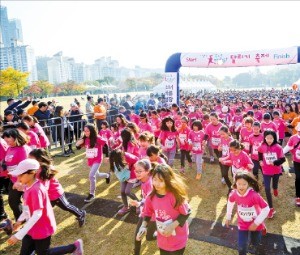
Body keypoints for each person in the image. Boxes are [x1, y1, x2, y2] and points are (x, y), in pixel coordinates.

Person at [7, 159, 84, 255]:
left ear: (32, 173)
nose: (18, 178)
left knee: (43, 253)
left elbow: (37, 214)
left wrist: (19, 235)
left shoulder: (36, 190)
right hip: (32, 227)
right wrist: (19, 221)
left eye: (21, 174)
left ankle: (74, 247)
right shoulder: (27, 187)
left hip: (42, 228)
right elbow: (26, 208)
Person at [137, 164, 191, 255]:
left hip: (178, 238)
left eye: (161, 181)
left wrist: (172, 226)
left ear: (168, 181)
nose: (157, 184)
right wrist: (143, 226)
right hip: (163, 239)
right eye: (154, 180)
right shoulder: (150, 197)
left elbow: (187, 212)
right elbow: (147, 213)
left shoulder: (175, 196)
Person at [28, 149, 86, 227]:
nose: (29, 161)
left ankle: (81, 214)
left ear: (40, 159)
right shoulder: (35, 168)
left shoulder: (46, 169)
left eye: (31, 159)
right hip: (47, 195)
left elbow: (45, 185)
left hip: (55, 194)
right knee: (42, 210)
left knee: (66, 206)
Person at [225, 171, 270, 255]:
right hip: (242, 224)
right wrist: (228, 217)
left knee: (255, 243)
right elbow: (230, 202)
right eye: (239, 184)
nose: (241, 186)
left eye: (244, 184)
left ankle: (262, 225)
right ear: (236, 183)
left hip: (256, 223)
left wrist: (256, 223)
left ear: (248, 184)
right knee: (241, 247)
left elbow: (266, 208)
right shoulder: (234, 193)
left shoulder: (254, 195)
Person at [75, 124, 110, 203]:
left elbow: (106, 145)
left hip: (97, 159)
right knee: (96, 175)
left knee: (91, 176)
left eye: (88, 131)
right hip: (90, 159)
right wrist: (77, 143)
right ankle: (107, 175)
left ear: (92, 131)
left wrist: (107, 156)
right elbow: (78, 147)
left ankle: (92, 194)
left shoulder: (97, 138)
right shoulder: (85, 138)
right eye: (85, 131)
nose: (86, 133)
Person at [2, 128, 31, 220]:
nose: (6, 141)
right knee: (13, 201)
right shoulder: (10, 147)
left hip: (24, 180)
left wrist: (20, 181)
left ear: (16, 137)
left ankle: (31, 221)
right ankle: (21, 220)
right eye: (5, 139)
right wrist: (3, 164)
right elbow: (7, 159)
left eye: (8, 138)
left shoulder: (22, 149)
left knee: (29, 202)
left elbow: (25, 167)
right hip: (13, 179)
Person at [258, 130, 286, 218]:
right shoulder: (262, 146)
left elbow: (283, 159)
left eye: (271, 138)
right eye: (267, 138)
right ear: (265, 138)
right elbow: (259, 153)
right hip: (266, 170)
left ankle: (275, 188)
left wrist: (274, 162)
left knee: (274, 184)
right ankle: (271, 208)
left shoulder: (278, 147)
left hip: (276, 170)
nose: (269, 140)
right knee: (267, 188)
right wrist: (260, 160)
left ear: (274, 138)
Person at [132, 159, 157, 255]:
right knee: (137, 236)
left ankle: (162, 235)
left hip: (153, 216)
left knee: (149, 237)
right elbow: (146, 198)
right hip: (145, 213)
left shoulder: (150, 183)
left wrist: (140, 203)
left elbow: (150, 201)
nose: (137, 173)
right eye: (136, 171)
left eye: (140, 171)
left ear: (147, 171)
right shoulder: (143, 180)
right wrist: (140, 203)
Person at [109, 149, 139, 215]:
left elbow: (137, 160)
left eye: (115, 159)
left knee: (127, 192)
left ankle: (138, 204)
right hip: (123, 174)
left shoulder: (128, 157)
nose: (113, 161)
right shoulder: (116, 158)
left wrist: (132, 172)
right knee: (122, 191)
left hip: (131, 174)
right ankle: (126, 206)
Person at [283, 122, 300, 206]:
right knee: (298, 178)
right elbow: (288, 147)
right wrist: (280, 153)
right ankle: (298, 196)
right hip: (297, 162)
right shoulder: (293, 138)